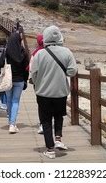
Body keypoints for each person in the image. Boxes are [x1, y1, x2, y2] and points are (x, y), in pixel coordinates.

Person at [30, 25, 77, 159]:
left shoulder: (40, 54)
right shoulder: (67, 52)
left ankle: (50, 149)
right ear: (60, 37)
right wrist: (63, 74)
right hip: (60, 92)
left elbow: (34, 73)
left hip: (43, 93)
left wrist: (37, 83)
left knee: (45, 120)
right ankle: (58, 139)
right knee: (58, 116)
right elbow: (73, 71)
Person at [5, 32, 29, 134]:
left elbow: (2, 63)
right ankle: (12, 124)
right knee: (15, 101)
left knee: (9, 101)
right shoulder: (23, 52)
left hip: (8, 79)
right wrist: (25, 80)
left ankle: (11, 122)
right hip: (19, 80)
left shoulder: (7, 51)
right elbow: (26, 68)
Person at [27, 34, 45, 134]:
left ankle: (43, 124)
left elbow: (32, 69)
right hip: (51, 81)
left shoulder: (35, 53)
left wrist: (33, 80)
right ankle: (52, 123)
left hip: (38, 82)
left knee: (41, 103)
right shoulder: (51, 51)